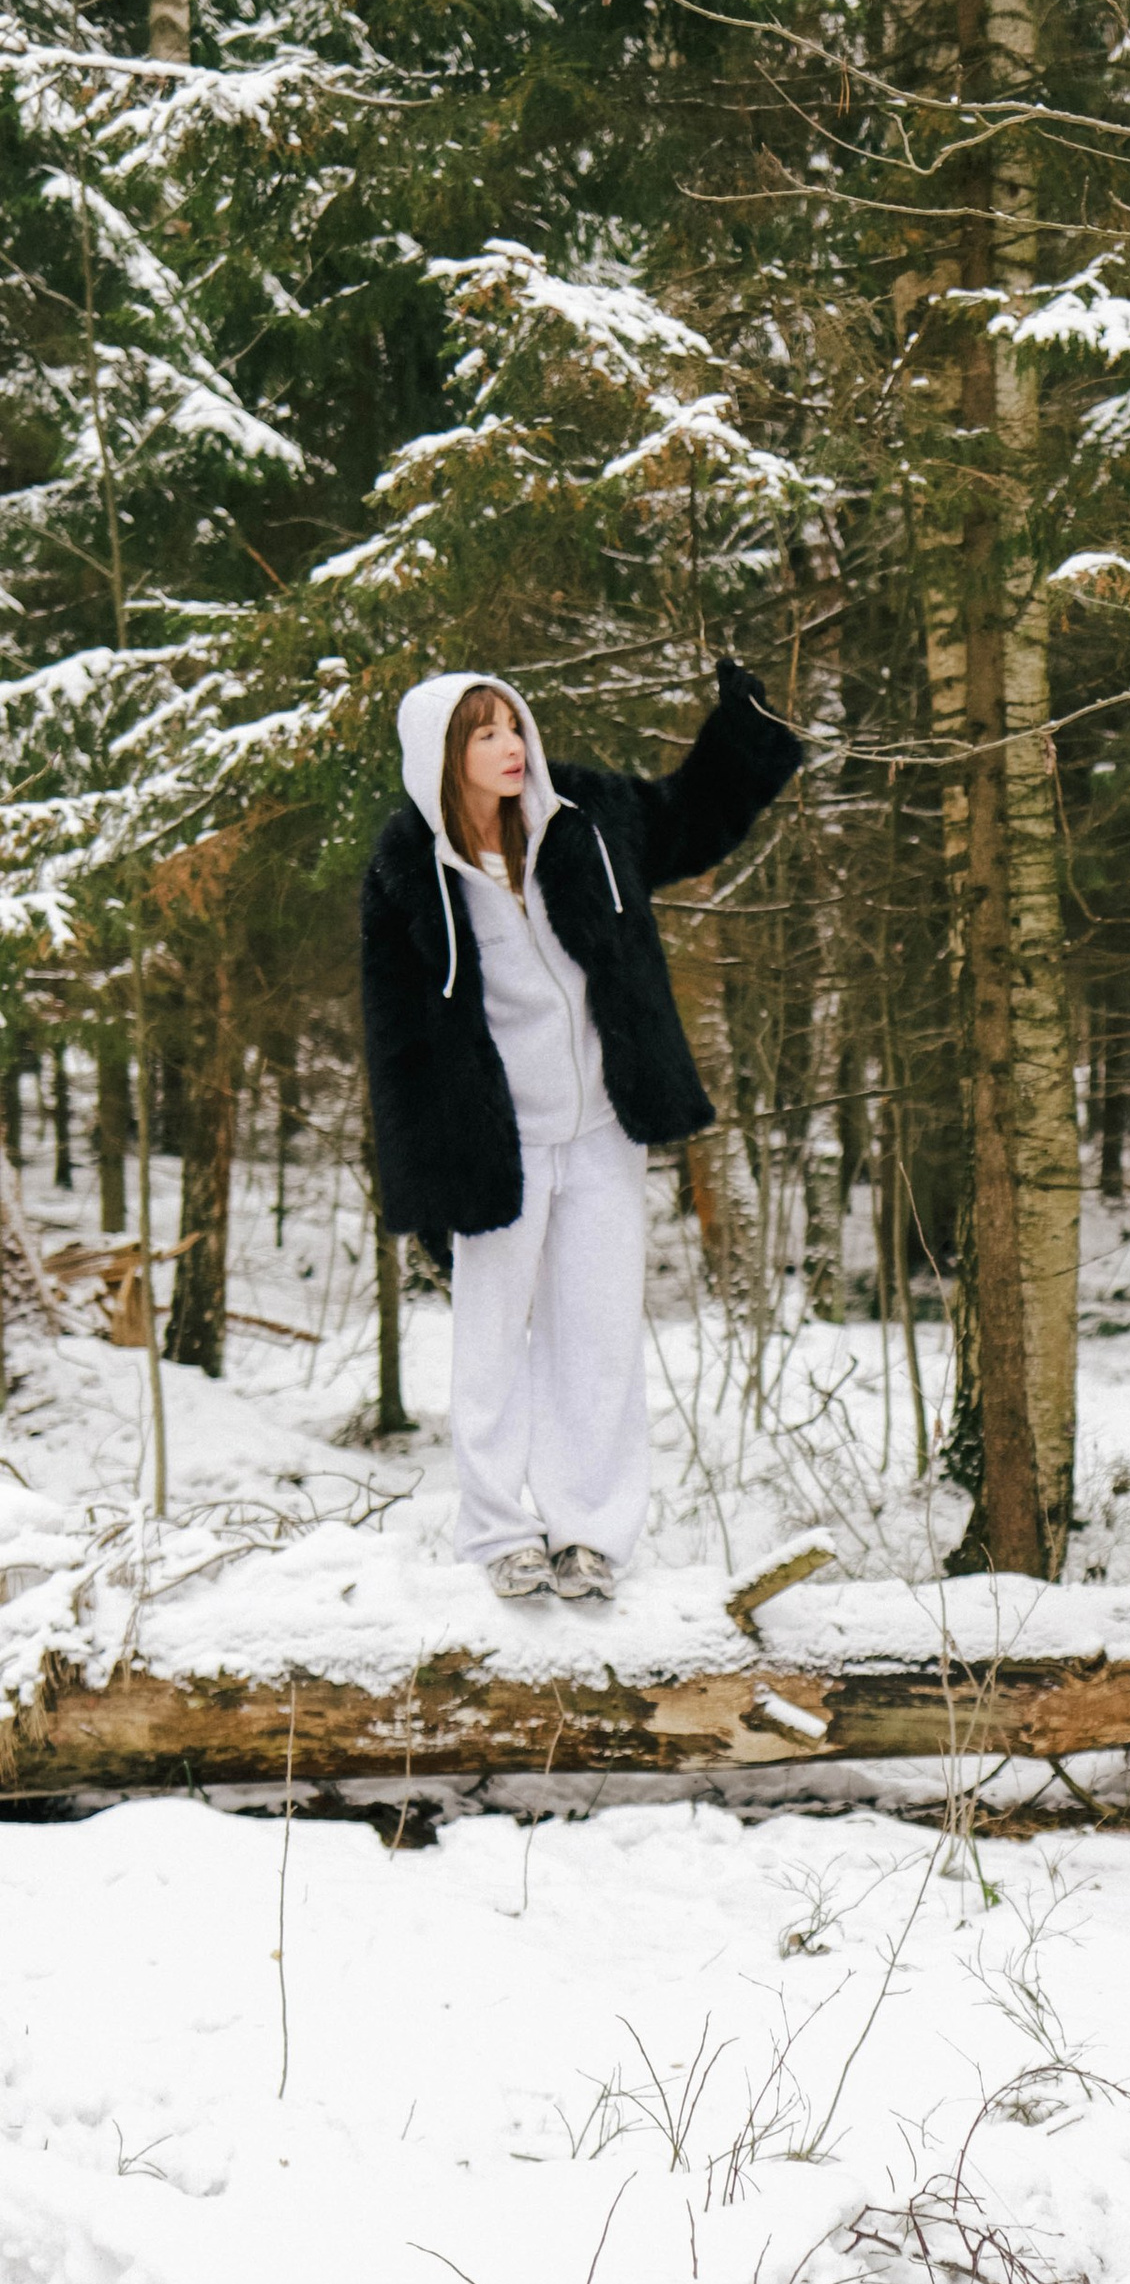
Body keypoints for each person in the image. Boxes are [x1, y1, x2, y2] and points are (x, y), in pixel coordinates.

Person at [361, 654, 801, 1602]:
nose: (512, 746)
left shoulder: (588, 821)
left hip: (605, 1124)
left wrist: (745, 727)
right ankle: (498, 1532)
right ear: (442, 753)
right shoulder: (408, 870)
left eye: (514, 725)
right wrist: (427, 1168)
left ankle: (588, 1534)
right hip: (498, 1142)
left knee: (597, 1335)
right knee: (491, 1340)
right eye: (485, 733)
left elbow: (693, 816)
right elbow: (396, 1034)